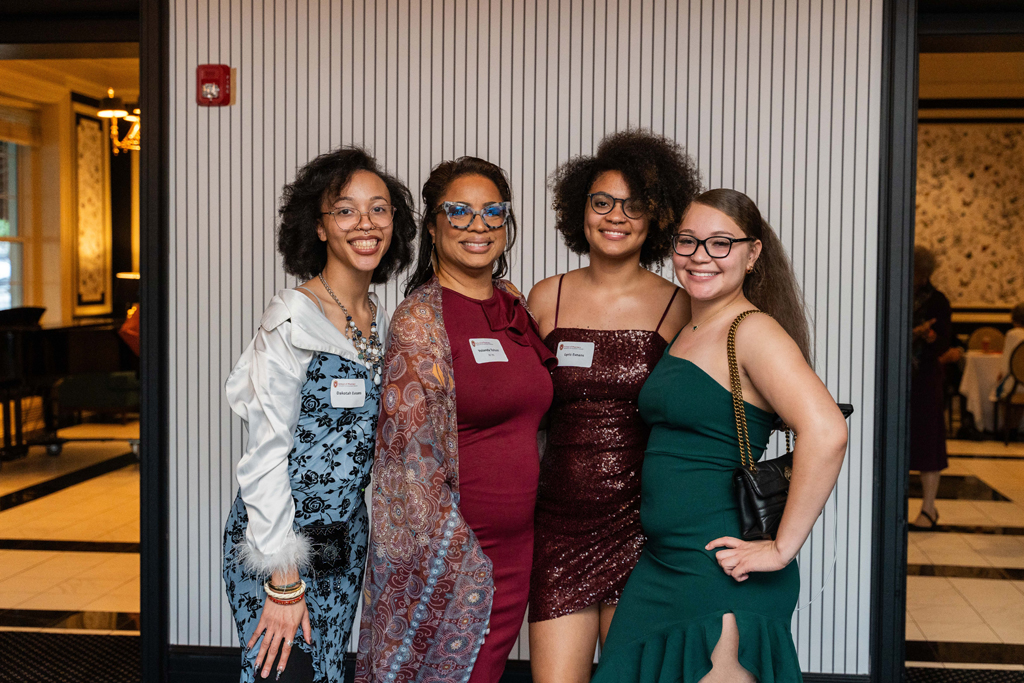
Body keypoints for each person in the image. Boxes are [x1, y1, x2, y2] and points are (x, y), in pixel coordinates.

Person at [591, 189, 848, 683]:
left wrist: (780, 549)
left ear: (752, 254)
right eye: (688, 242)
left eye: (720, 243)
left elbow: (828, 431)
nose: (700, 257)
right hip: (663, 563)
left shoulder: (752, 331)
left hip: (720, 571)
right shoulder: (690, 327)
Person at [356, 157, 556, 683]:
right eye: (459, 211)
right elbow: (407, 464)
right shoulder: (421, 319)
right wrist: (460, 560)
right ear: (431, 224)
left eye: (493, 211)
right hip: (458, 554)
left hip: (520, 545)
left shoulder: (513, 303)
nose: (478, 224)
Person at [221, 147, 416, 683]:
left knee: (326, 671)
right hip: (278, 544)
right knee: (283, 674)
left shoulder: (383, 319)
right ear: (321, 226)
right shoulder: (291, 318)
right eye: (346, 210)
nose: (365, 223)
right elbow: (265, 457)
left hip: (346, 540)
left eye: (379, 209)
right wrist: (283, 581)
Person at [527, 129, 700, 683]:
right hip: (558, 526)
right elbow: (526, 411)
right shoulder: (544, 296)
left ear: (655, 218)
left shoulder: (680, 304)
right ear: (581, 211)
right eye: (602, 203)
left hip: (643, 527)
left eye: (634, 205)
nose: (615, 216)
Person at [910, 246, 951, 529]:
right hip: (902, 378)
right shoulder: (899, 293)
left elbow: (944, 343)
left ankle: (928, 507)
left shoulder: (938, 301)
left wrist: (931, 336)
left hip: (925, 378)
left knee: (929, 441)